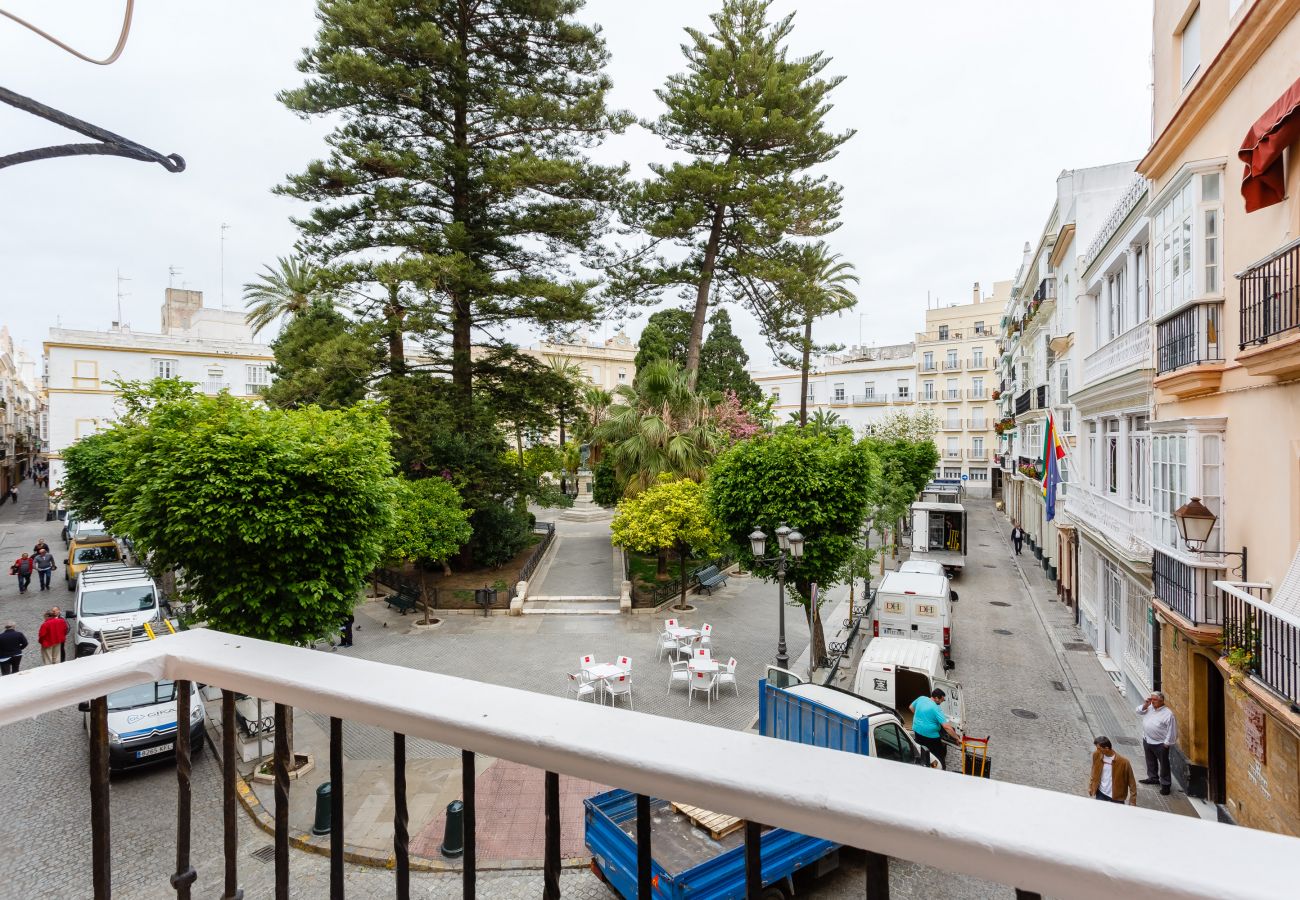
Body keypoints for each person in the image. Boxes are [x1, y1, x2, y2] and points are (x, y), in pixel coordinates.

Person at [1137, 691, 1178, 795]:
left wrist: (1167, 743)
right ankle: (1153, 777)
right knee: (1150, 760)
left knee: (1164, 764)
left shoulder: (1168, 714)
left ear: (1161, 701)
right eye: (1151, 699)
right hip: (1147, 739)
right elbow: (1138, 711)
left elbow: (1172, 730)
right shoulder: (1149, 707)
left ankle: (1165, 784)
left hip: (1160, 743)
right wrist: (1146, 704)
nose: (1152, 701)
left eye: (1154, 700)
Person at [910, 688, 960, 769]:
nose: (941, 702)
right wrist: (956, 738)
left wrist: (921, 717)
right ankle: (937, 769)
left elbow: (911, 707)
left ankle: (923, 766)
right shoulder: (936, 709)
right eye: (942, 700)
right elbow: (947, 727)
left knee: (922, 751)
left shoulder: (921, 698)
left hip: (917, 732)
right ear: (936, 698)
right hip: (931, 738)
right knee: (938, 756)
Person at [1088, 736, 1137, 805]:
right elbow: (1094, 771)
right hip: (1101, 793)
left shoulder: (1124, 762)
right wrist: (1091, 786)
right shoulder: (1096, 755)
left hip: (1117, 797)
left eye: (1099, 748)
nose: (1097, 750)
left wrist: (1132, 801)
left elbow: (1132, 783)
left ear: (1107, 748)